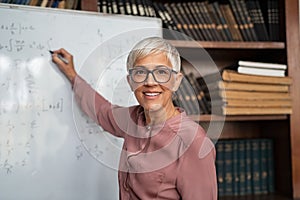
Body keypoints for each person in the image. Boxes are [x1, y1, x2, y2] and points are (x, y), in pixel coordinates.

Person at [51, 37, 217, 200]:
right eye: (140, 72)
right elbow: (102, 111)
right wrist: (72, 75)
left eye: (161, 72)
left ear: (176, 81)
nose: (150, 82)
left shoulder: (192, 142)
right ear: (130, 82)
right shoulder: (132, 119)